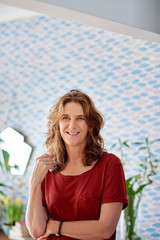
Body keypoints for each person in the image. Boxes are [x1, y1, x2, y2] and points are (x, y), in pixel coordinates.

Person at [26, 89, 128, 240]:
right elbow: (36, 231)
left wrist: (56, 226)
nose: (72, 125)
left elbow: (104, 230)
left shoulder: (110, 165)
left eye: (80, 118)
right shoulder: (47, 167)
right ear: (57, 124)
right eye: (65, 118)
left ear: (91, 125)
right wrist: (34, 183)